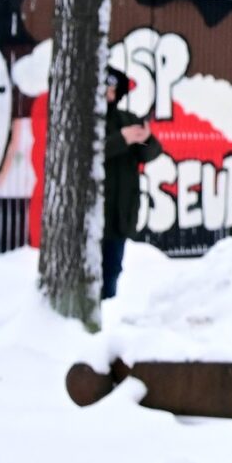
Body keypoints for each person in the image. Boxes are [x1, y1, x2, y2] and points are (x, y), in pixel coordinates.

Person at [100, 70, 162, 300]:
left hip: (120, 215)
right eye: (105, 88)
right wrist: (122, 139)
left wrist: (144, 137)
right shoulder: (84, 120)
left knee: (112, 270)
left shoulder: (126, 118)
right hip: (94, 217)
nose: (109, 94)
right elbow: (89, 154)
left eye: (113, 89)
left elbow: (152, 152)